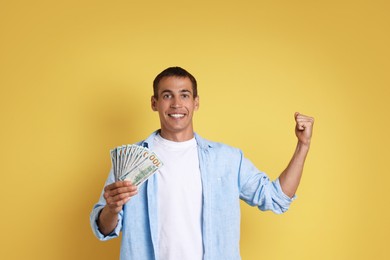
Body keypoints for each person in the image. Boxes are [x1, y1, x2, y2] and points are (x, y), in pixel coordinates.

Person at [90, 66, 314, 260]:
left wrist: (302, 146)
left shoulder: (227, 159)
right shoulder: (131, 160)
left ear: (196, 102)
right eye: (167, 96)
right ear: (154, 103)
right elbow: (103, 229)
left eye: (184, 95)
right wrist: (111, 209)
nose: (177, 104)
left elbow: (277, 198)